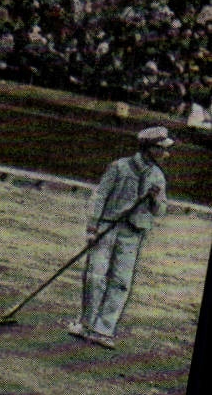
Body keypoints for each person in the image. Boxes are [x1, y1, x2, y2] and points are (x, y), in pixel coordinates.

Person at [68, 126, 172, 349]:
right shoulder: (119, 167)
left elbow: (161, 210)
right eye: (161, 149)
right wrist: (92, 227)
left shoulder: (157, 176)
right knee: (95, 275)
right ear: (149, 148)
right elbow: (100, 196)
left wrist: (154, 199)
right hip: (108, 227)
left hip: (132, 233)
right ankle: (86, 323)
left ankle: (103, 330)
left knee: (121, 281)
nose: (165, 154)